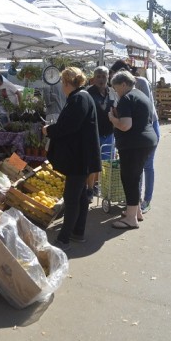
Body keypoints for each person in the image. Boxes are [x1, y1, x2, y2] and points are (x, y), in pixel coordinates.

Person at [43, 67, 101, 251]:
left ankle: (64, 239)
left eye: (62, 82)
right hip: (80, 155)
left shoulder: (79, 98)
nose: (61, 86)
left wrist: (49, 130)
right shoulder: (80, 97)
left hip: (78, 157)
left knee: (71, 197)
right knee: (81, 195)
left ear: (67, 83)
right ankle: (78, 231)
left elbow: (69, 126)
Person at [107, 70, 158, 229]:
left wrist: (112, 119)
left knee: (129, 179)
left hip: (134, 145)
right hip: (146, 141)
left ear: (123, 84)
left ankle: (131, 219)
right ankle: (135, 212)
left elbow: (125, 125)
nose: (116, 92)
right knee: (134, 177)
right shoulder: (141, 95)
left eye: (116, 88)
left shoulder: (127, 98)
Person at [86, 66, 116, 196]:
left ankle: (102, 187)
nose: (101, 79)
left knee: (107, 163)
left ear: (108, 77)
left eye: (104, 76)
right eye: (98, 76)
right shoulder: (88, 93)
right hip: (93, 134)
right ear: (94, 78)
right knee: (93, 164)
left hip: (109, 134)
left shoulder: (112, 92)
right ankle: (90, 189)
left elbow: (115, 110)